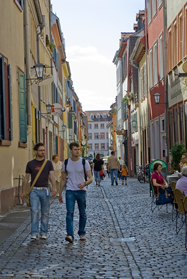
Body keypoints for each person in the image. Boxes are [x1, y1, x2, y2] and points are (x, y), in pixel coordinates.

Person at [59, 142, 93, 243]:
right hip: (70, 191)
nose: (77, 151)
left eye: (78, 149)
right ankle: (70, 235)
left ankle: (81, 232)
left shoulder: (84, 162)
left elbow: (91, 178)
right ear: (70, 150)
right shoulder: (65, 163)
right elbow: (63, 179)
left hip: (81, 191)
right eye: (75, 149)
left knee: (82, 213)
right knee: (69, 212)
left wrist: (85, 183)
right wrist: (60, 193)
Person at [21, 142, 56, 240]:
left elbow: (52, 176)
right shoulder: (30, 164)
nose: (42, 152)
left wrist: (54, 187)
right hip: (34, 191)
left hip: (45, 190)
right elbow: (26, 178)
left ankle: (44, 232)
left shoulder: (48, 163)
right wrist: (23, 191)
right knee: (34, 211)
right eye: (40, 150)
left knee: (45, 213)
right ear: (36, 152)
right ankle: (34, 232)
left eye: (43, 150)